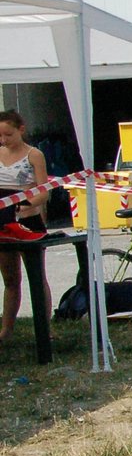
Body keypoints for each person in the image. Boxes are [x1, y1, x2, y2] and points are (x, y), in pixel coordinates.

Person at [0, 110, 52, 343]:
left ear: (20, 130)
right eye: (0, 136)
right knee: (10, 278)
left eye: (8, 134)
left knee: (36, 276)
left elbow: (44, 191)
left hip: (28, 219)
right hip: (4, 221)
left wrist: (25, 205)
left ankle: (45, 328)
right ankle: (6, 330)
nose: (4, 140)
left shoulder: (34, 155)